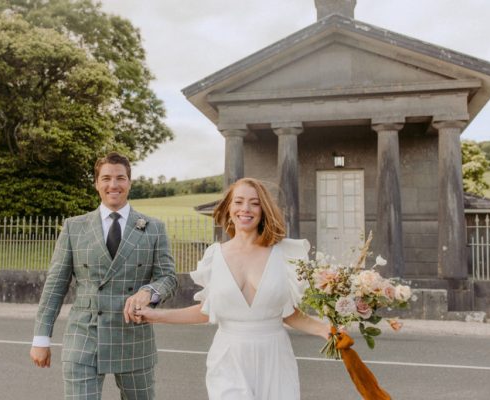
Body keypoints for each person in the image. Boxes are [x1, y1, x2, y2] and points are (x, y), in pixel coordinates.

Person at [136, 177, 331, 400]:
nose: (245, 209)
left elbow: (289, 313)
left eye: (254, 203)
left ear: (263, 209)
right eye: (238, 202)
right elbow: (207, 311)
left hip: (275, 357)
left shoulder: (284, 253)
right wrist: (155, 315)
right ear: (229, 208)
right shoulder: (214, 256)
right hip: (229, 357)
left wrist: (325, 330)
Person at [30, 152, 178, 400]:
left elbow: (169, 278)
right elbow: (55, 286)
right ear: (96, 183)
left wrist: (149, 292)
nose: (113, 185)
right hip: (85, 335)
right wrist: (41, 337)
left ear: (129, 182)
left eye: (120, 178)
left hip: (134, 337)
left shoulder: (154, 228)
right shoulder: (74, 227)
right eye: (106, 178)